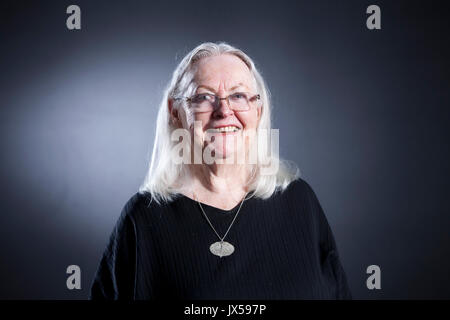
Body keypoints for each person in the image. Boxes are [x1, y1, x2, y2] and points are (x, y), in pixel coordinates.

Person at [90, 42, 352, 300]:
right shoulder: (143, 219)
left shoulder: (300, 201)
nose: (224, 111)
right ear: (175, 112)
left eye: (238, 96)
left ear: (258, 111)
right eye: (204, 97)